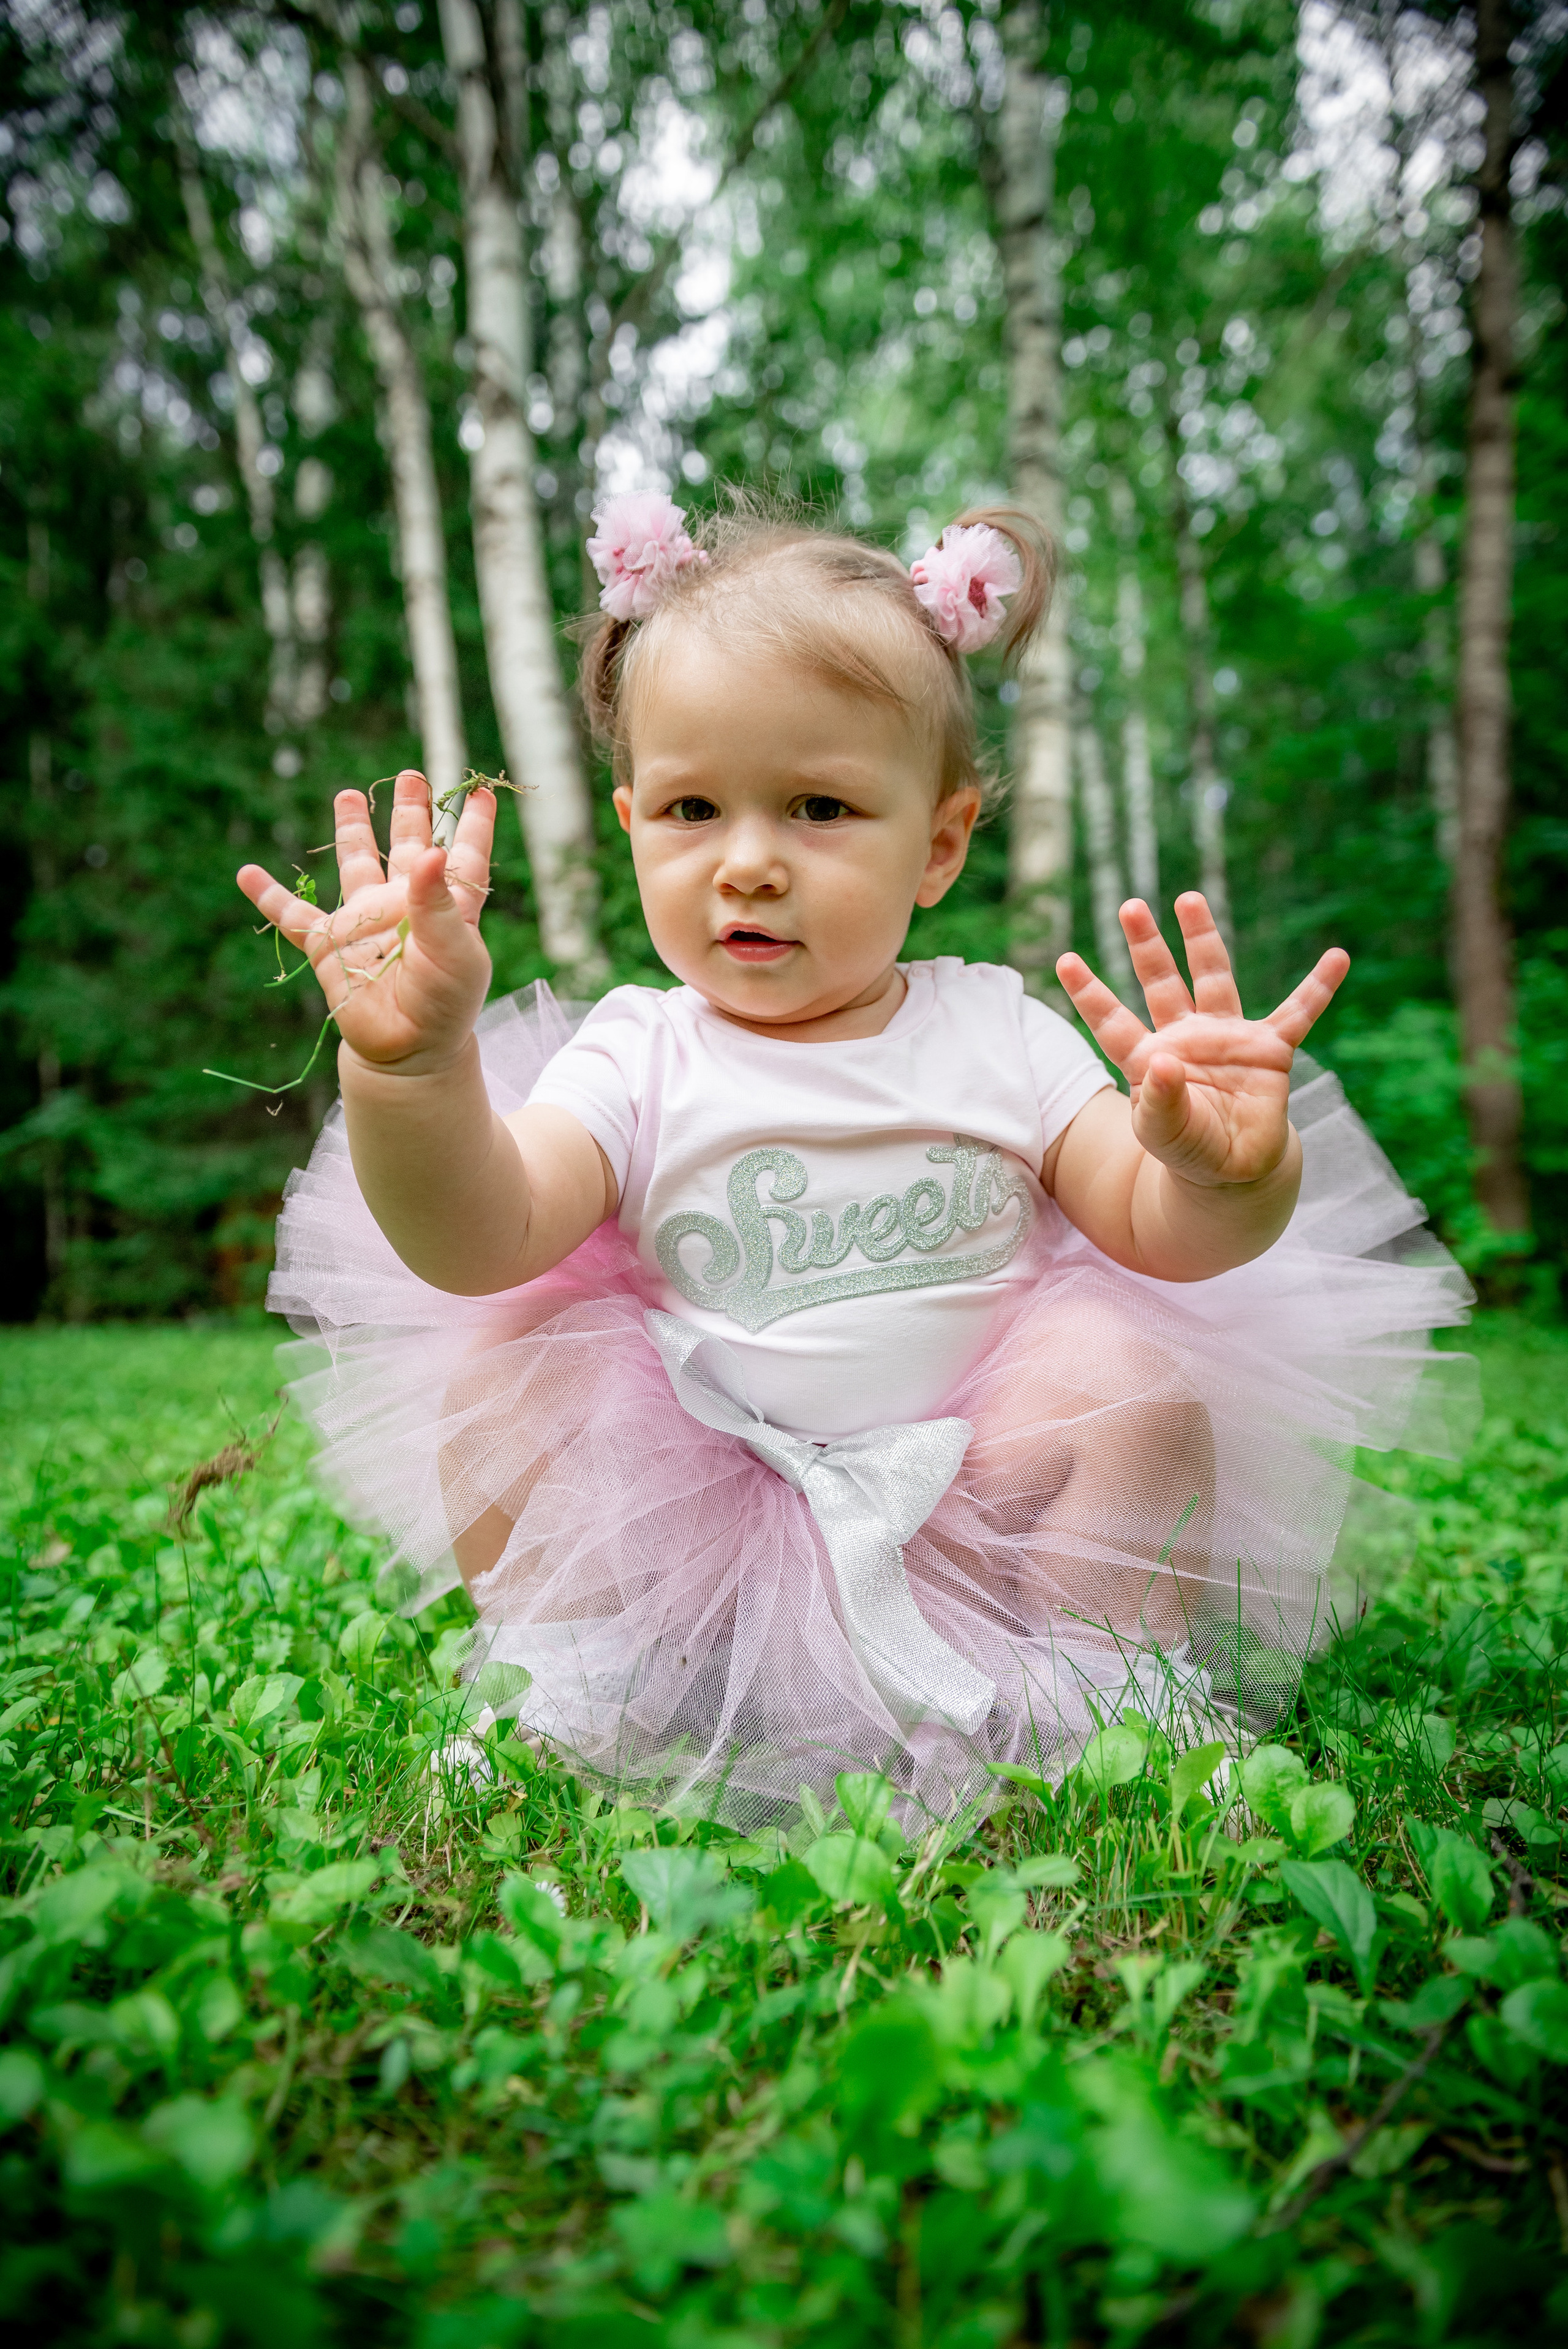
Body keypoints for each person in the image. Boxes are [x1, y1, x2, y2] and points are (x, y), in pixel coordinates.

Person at [251, 494, 1471, 1828]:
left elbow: (1153, 1231)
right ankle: (583, 1679)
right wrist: (413, 1070)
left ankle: (1102, 1680)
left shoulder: (993, 1030)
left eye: (819, 807)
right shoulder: (638, 1053)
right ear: (630, 822)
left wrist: (1219, 1175)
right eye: (692, 809)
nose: (749, 864)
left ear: (938, 843)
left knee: (1125, 1379)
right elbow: (479, 1236)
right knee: (508, 1376)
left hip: (982, 1504)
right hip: (694, 1508)